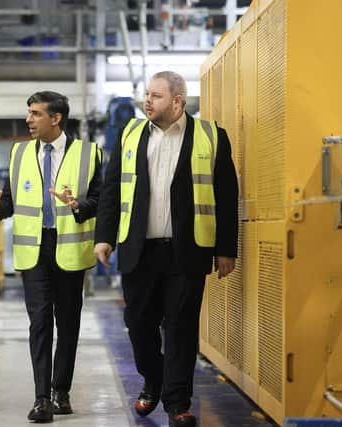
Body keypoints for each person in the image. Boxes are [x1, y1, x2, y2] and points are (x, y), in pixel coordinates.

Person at [94, 71, 238, 427]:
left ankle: (177, 403)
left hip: (187, 251)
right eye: (147, 94)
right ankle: (152, 380)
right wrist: (104, 236)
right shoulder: (130, 134)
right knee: (139, 324)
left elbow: (226, 196)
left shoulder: (211, 136)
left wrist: (226, 249)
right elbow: (112, 190)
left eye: (156, 96)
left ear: (178, 101)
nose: (147, 101)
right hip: (138, 249)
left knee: (181, 328)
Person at [0, 91, 102, 423]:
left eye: (36, 114)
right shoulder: (19, 153)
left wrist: (79, 206)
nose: (29, 119)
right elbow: (12, 201)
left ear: (56, 118)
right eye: (28, 113)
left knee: (69, 323)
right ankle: (41, 398)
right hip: (34, 250)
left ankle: (62, 391)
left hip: (71, 249)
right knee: (40, 323)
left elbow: (102, 200)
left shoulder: (89, 154)